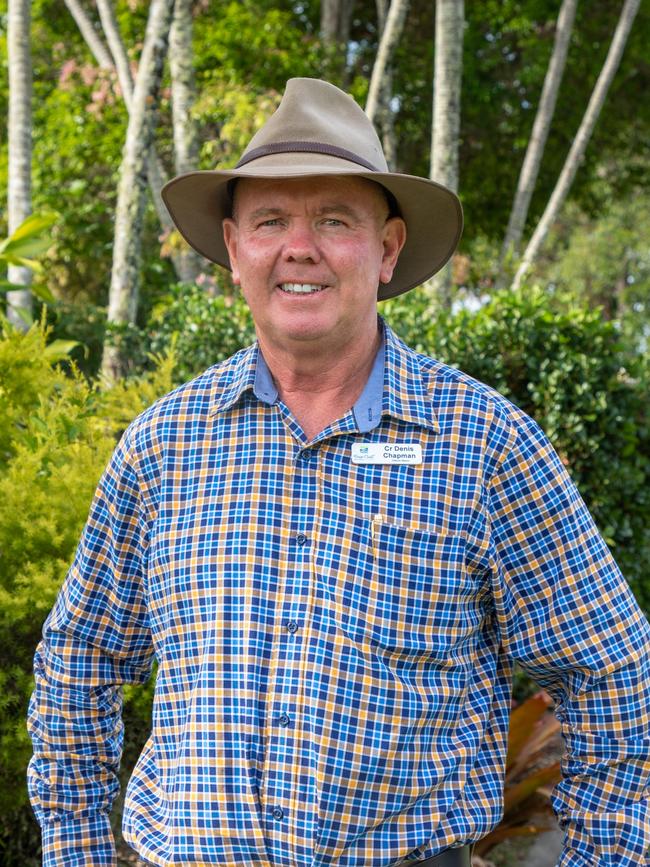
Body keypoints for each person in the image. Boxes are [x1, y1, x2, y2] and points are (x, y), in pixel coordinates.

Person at [27, 78, 649, 867]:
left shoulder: (484, 445)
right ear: (232, 247)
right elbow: (78, 659)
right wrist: (76, 850)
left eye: (333, 220)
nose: (300, 247)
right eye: (271, 220)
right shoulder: (165, 446)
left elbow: (613, 674)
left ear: (386, 249)